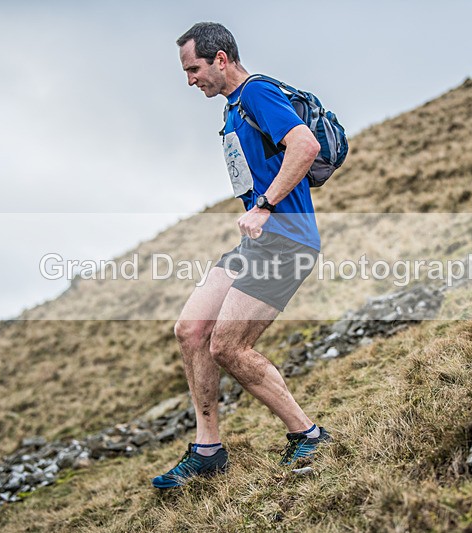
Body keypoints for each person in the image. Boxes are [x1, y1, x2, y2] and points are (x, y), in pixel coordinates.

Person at [151, 22, 331, 489]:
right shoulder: (233, 109)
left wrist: (266, 205)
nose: (190, 80)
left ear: (221, 59)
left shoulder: (256, 93)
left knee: (228, 346)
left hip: (287, 242)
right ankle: (208, 450)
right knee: (191, 330)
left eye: (194, 69)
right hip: (257, 245)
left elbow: (305, 146)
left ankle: (309, 435)